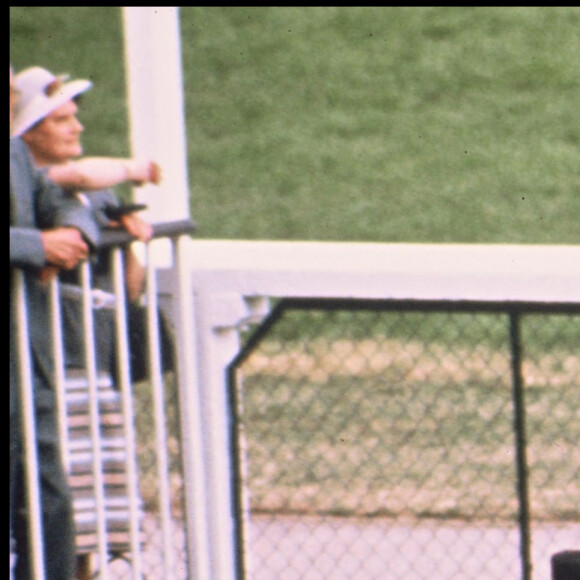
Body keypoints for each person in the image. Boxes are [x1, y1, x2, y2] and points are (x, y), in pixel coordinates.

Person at [10, 65, 160, 580]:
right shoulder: (33, 159)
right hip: (36, 350)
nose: (76, 128)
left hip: (51, 359)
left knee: (64, 502)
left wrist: (91, 232)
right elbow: (60, 192)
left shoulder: (24, 162)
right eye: (60, 119)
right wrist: (36, 247)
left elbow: (61, 202)